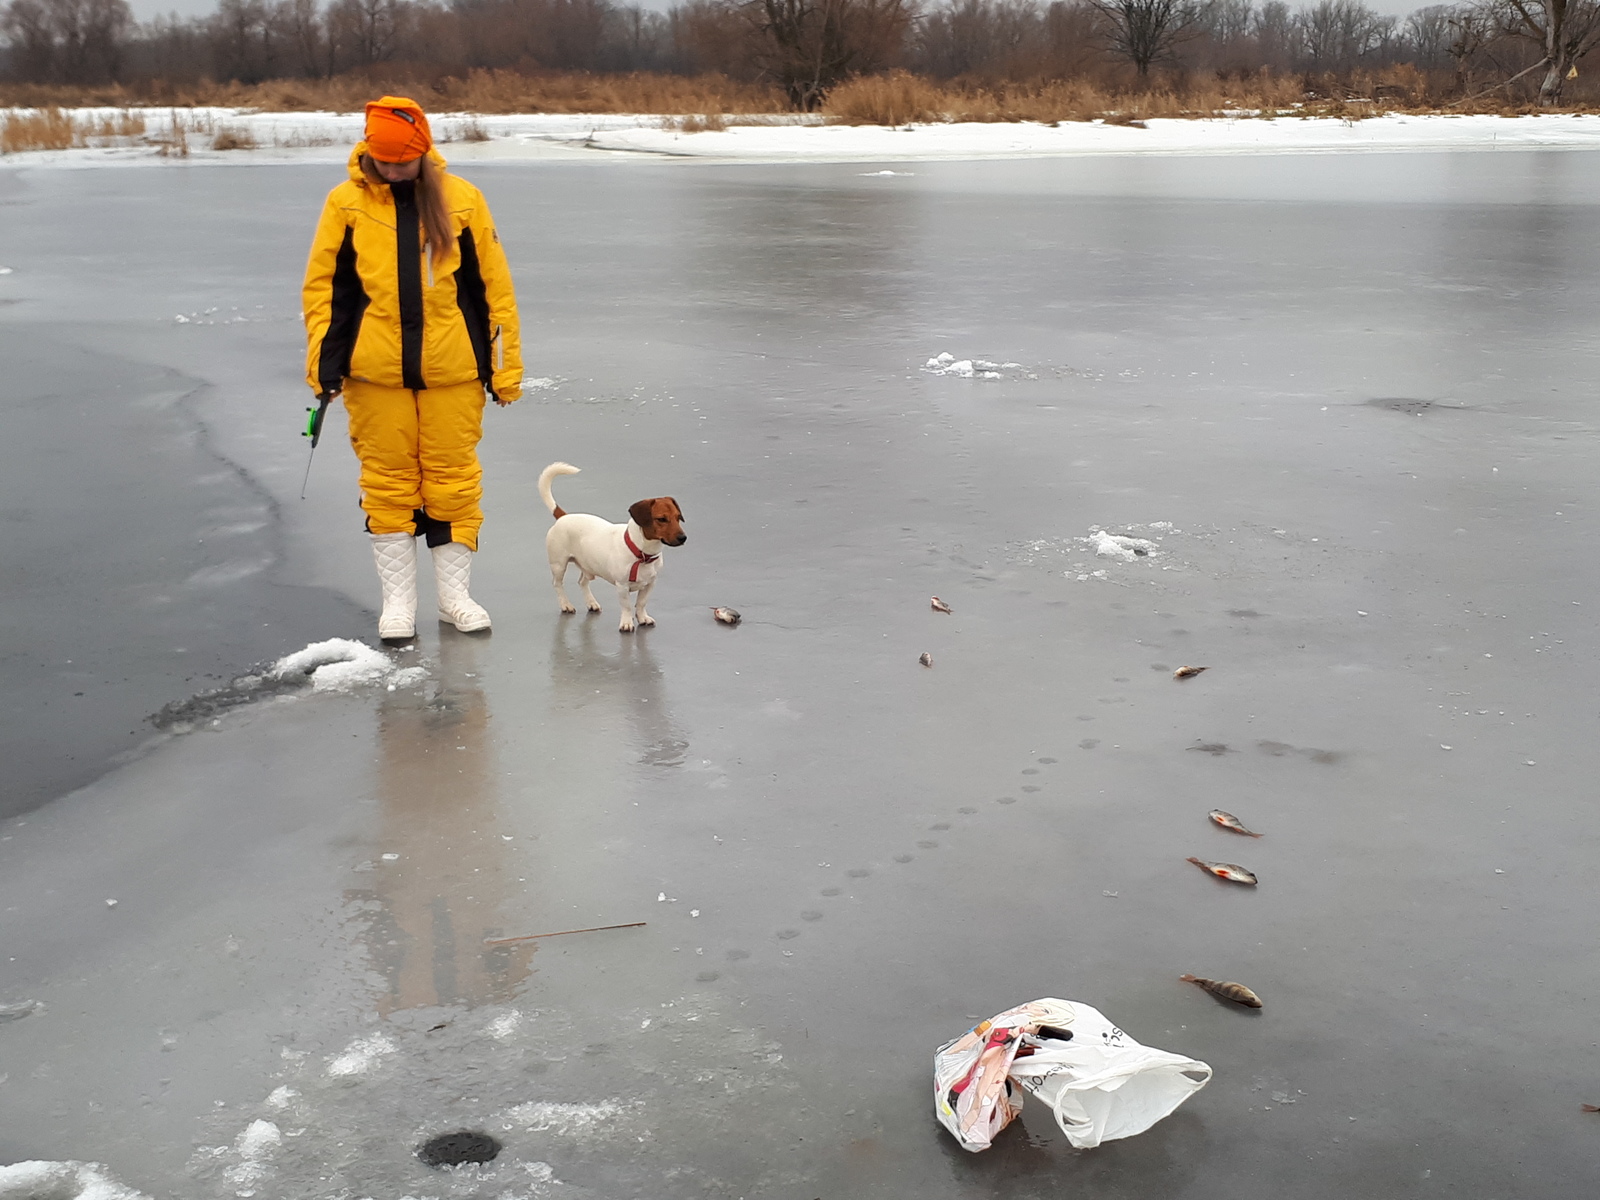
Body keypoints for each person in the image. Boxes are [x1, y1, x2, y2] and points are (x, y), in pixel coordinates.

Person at [302, 96, 522, 641]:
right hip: (373, 373)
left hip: (454, 370)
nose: (394, 170)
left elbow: (493, 287)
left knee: (453, 482)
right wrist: (324, 367)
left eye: (403, 161)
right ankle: (398, 605)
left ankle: (455, 599)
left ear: (423, 152)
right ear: (369, 152)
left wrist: (504, 368)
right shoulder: (345, 204)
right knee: (388, 483)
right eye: (384, 160)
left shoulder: (463, 201)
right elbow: (327, 291)